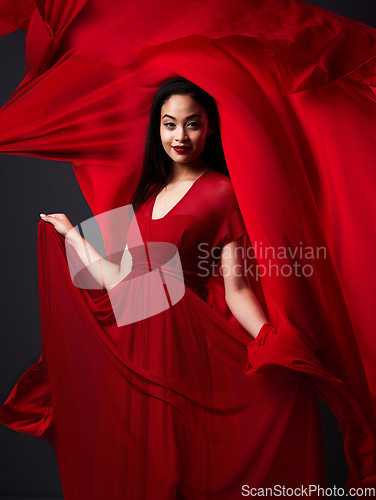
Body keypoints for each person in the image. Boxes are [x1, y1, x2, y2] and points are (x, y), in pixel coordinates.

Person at [9, 77, 327, 498]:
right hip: (132, 347)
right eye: (169, 124)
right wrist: (71, 234)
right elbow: (119, 280)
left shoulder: (223, 191)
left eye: (192, 124)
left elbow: (236, 289)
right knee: (136, 469)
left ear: (208, 127)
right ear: (157, 129)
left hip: (180, 348)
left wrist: (269, 338)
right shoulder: (146, 195)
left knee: (175, 472)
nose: (180, 136)